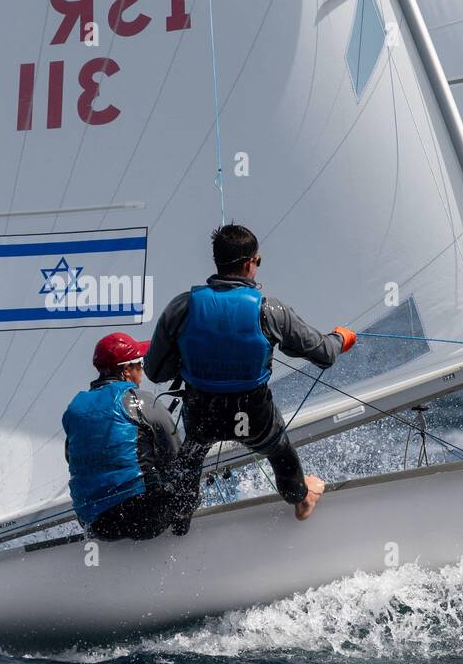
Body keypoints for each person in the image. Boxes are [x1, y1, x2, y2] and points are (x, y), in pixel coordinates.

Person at [145, 224, 356, 531]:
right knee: (277, 448)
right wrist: (341, 337)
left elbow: (154, 371)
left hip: (203, 413)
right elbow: (323, 353)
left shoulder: (182, 307)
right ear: (249, 264)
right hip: (253, 414)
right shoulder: (269, 310)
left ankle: (180, 521)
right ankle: (301, 499)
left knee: (191, 456)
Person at [63, 332, 186, 541]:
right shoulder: (139, 400)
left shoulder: (74, 409)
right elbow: (176, 455)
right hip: (145, 518)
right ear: (126, 370)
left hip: (96, 526)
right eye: (140, 364)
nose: (142, 371)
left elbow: (71, 458)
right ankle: (185, 541)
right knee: (186, 486)